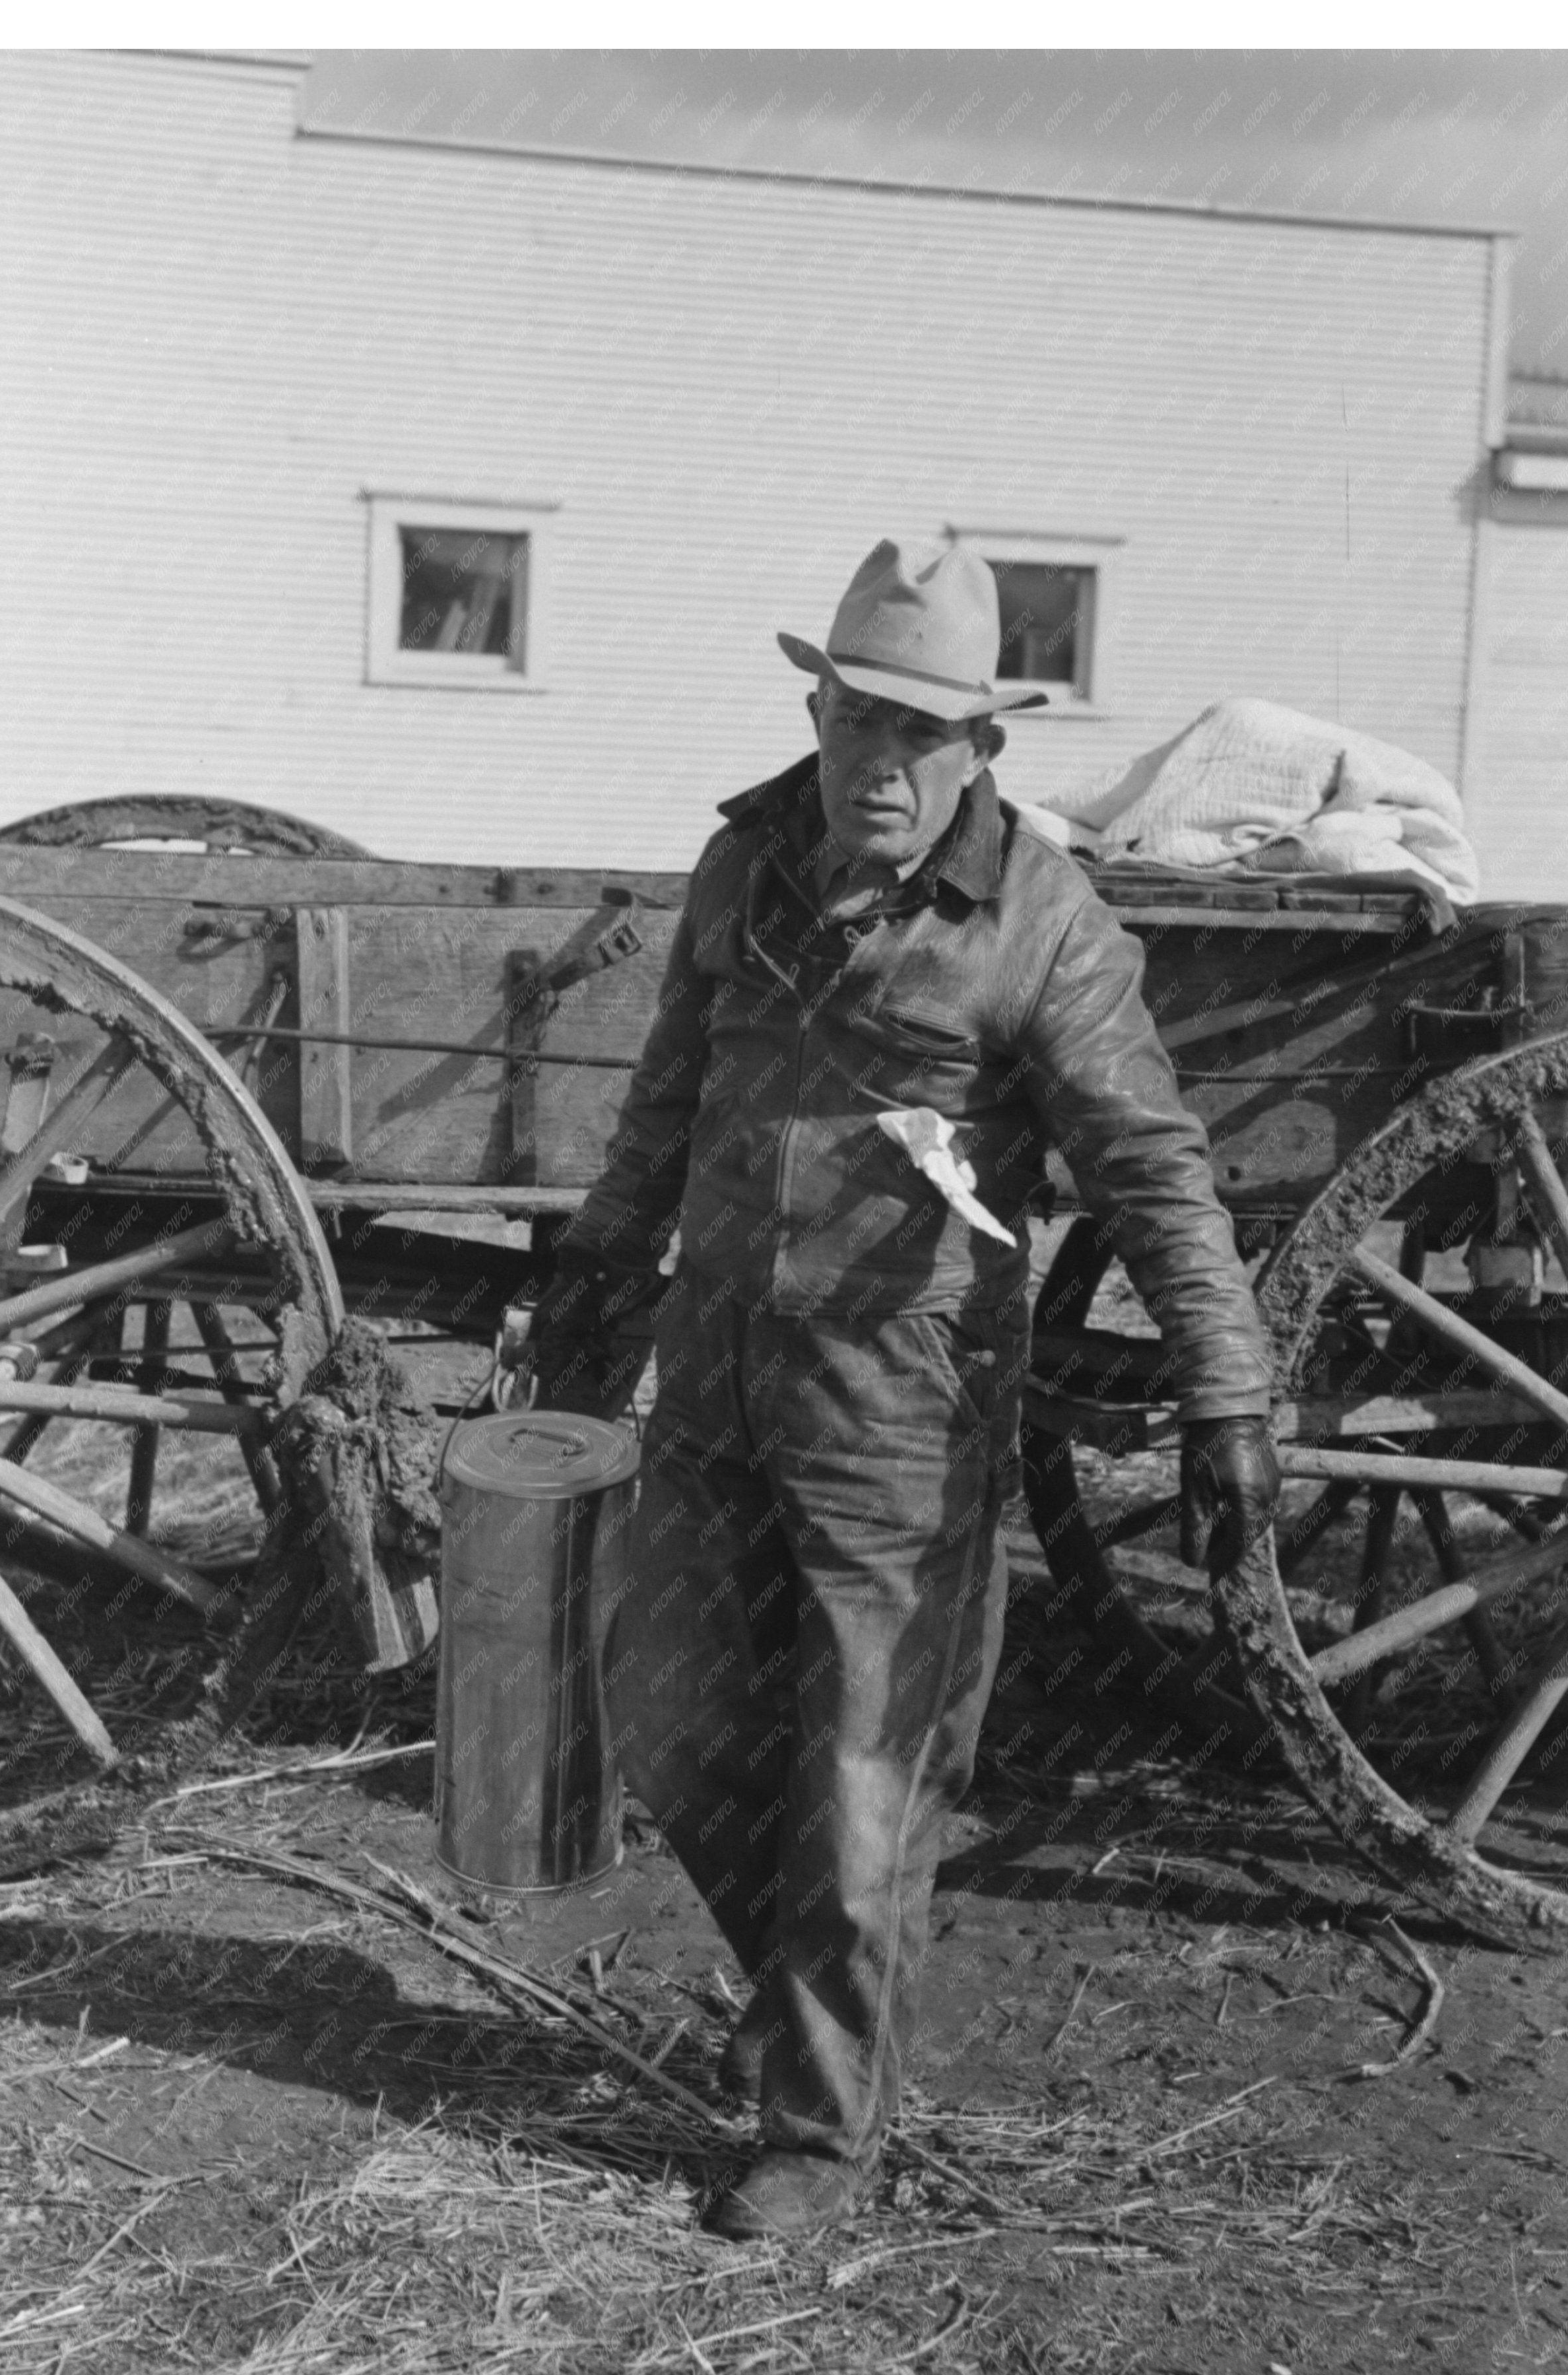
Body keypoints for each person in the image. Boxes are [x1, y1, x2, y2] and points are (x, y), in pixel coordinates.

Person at [525, 539, 1280, 2240]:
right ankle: (804, 2011)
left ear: (982, 751)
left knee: (869, 1774)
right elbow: (663, 1109)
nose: (884, 760)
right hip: (709, 1377)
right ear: (816, 703)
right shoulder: (742, 867)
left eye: (925, 733)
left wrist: (1227, 1386)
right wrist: (593, 1287)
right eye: (861, 715)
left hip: (906, 1407)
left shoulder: (1044, 922)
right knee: (670, 1716)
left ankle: (819, 2130)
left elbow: (1154, 1169)